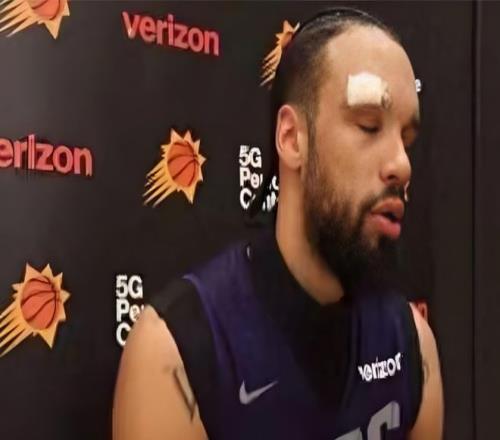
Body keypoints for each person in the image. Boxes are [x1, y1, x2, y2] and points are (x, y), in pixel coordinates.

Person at [113, 7, 443, 440]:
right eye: (368, 126)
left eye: (407, 139)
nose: (401, 164)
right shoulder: (177, 355)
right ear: (291, 138)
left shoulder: (413, 345)